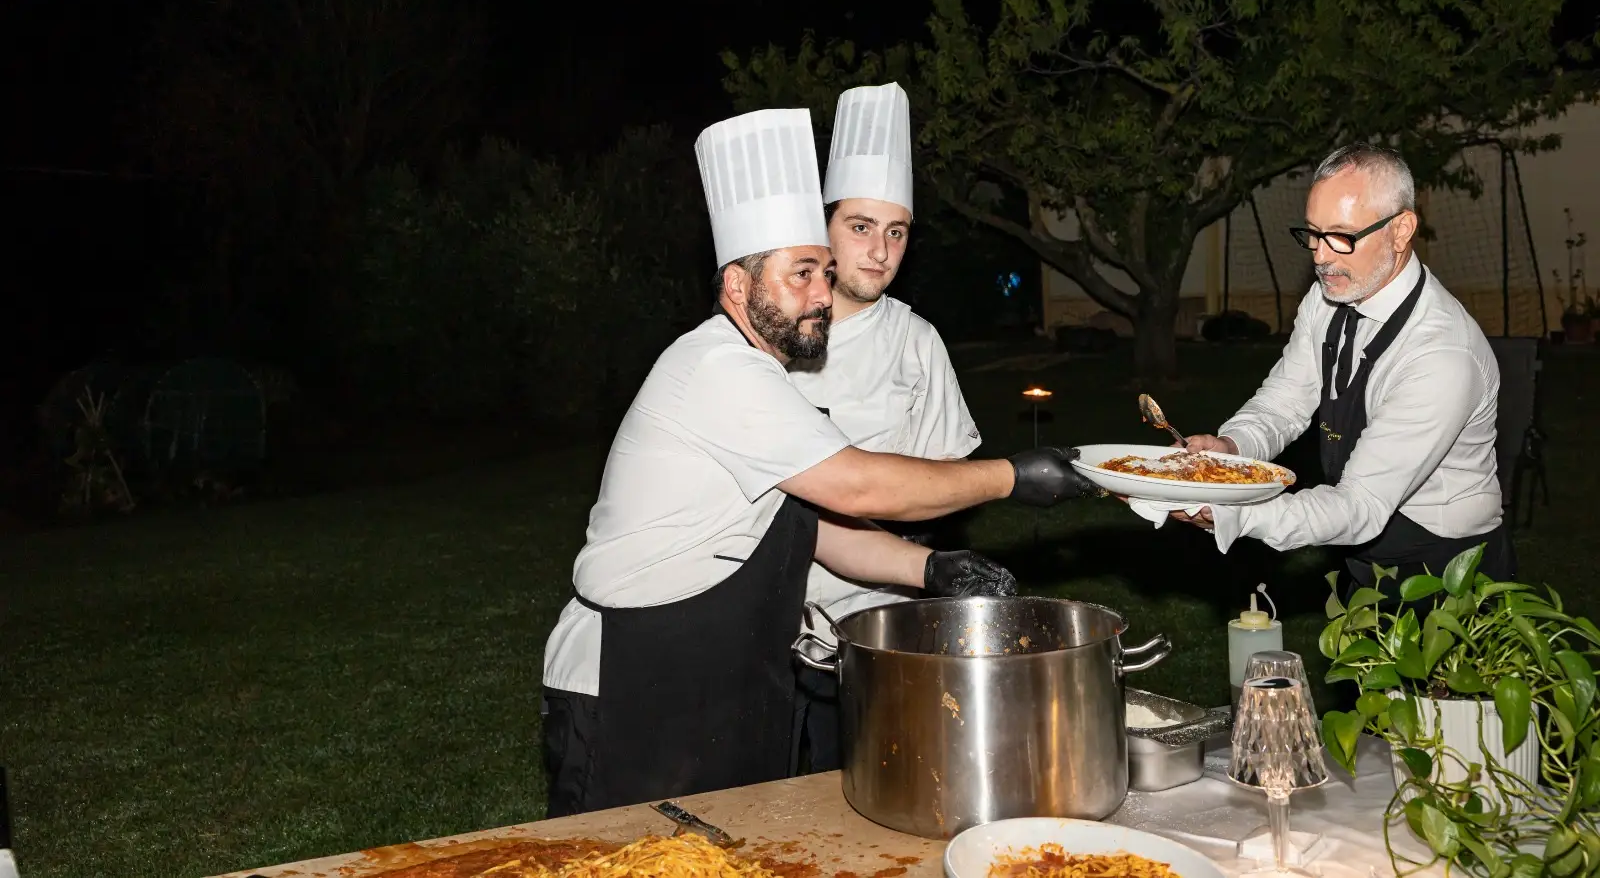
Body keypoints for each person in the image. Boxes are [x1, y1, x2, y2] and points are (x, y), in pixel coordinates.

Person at [540, 107, 1098, 818]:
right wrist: (1017, 476)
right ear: (738, 288)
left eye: (824, 274)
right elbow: (858, 483)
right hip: (626, 682)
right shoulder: (716, 370)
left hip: (708, 675)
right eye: (801, 274)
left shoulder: (764, 373)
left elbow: (805, 525)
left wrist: (926, 569)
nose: (820, 295)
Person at [1171, 142, 1510, 592]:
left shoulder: (1441, 355)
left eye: (1342, 236)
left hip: (1448, 572)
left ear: (1401, 229)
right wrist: (1232, 450)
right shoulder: (1332, 294)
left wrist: (1234, 513)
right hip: (1362, 551)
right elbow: (1284, 402)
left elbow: (1360, 504)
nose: (1320, 256)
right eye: (1312, 233)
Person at [785, 82, 1003, 776]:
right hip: (761, 630)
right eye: (860, 227)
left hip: (875, 631)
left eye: (897, 232)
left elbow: (949, 484)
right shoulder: (773, 337)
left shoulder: (917, 342)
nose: (880, 251)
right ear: (822, 226)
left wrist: (929, 554)